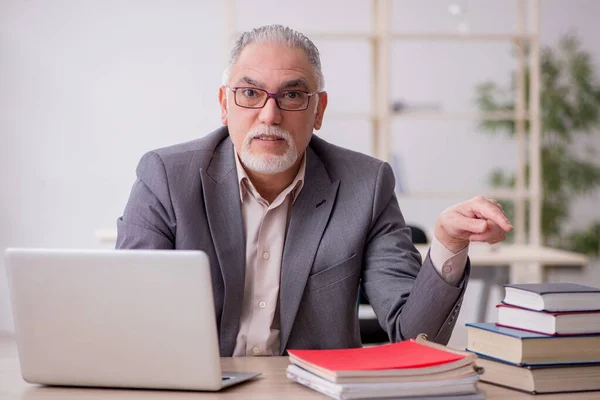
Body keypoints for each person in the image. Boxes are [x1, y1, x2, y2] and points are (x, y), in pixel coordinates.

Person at [116, 25, 512, 357]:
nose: (269, 115)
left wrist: (447, 243)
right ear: (224, 104)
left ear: (318, 110)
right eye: (250, 94)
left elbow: (414, 337)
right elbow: (128, 320)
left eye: (291, 95)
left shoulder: (365, 186)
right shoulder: (166, 177)